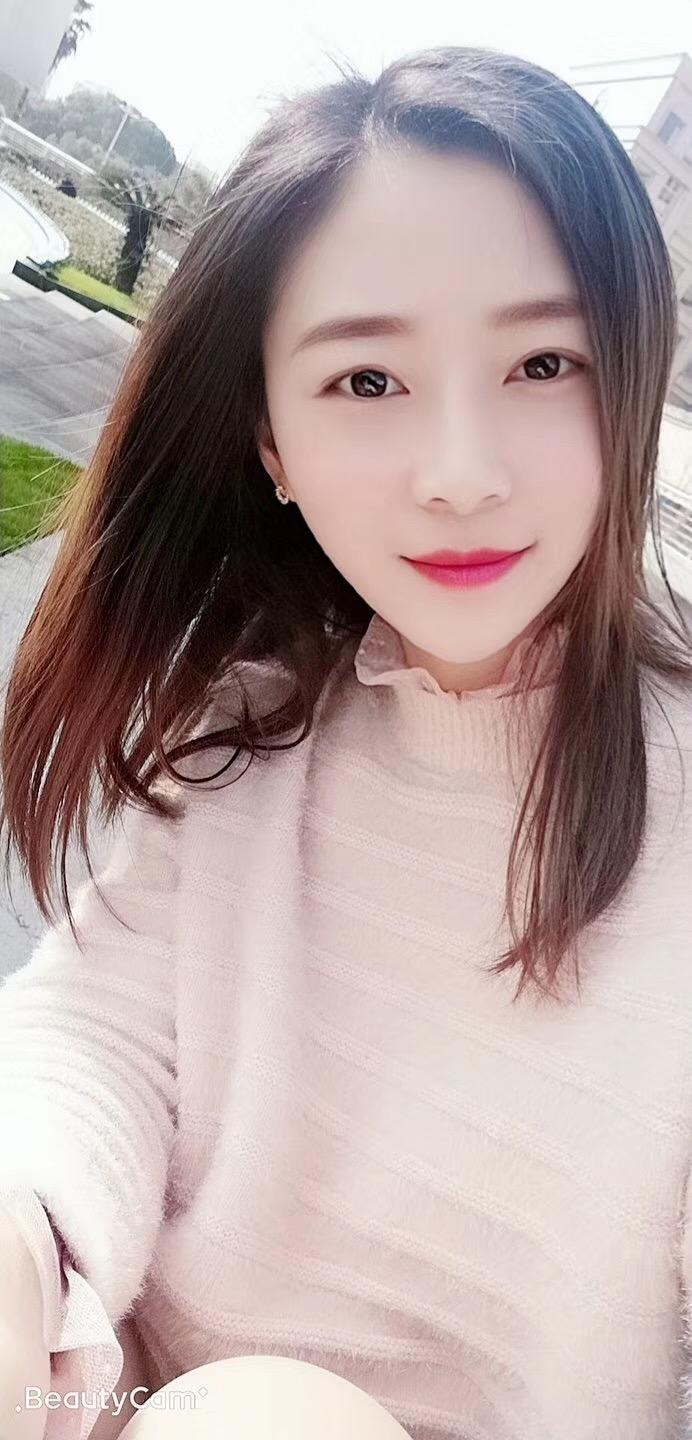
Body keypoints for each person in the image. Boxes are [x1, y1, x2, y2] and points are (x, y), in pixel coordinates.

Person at [1, 39, 691, 1440]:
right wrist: (23, 1245)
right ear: (270, 440)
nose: (461, 473)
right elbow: (97, 1028)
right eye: (367, 381)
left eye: (544, 361)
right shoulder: (252, 718)